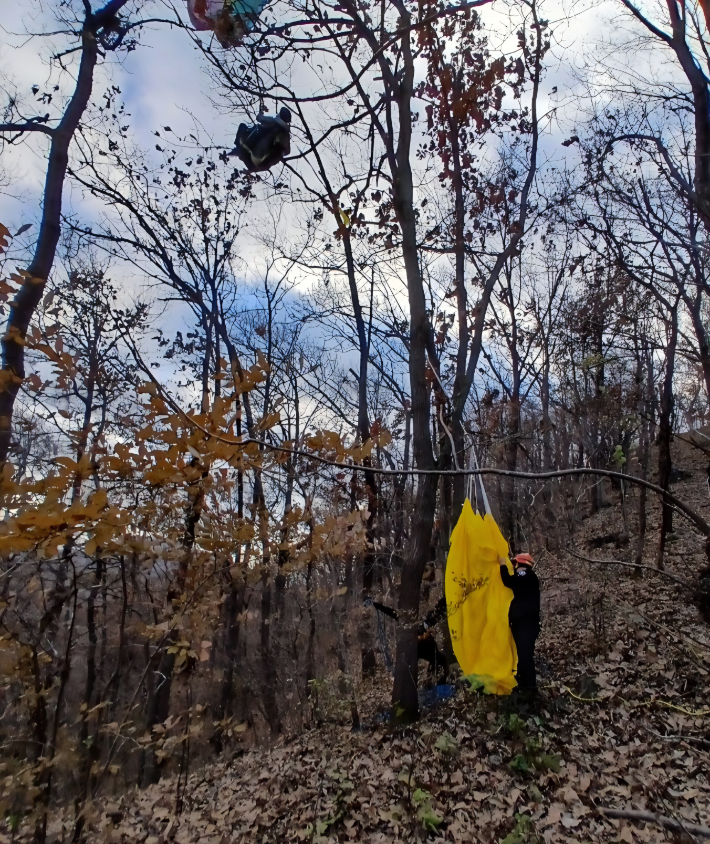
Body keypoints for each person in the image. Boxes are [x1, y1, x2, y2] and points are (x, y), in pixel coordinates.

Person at [499, 553, 541, 696]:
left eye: (515, 564)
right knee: (522, 654)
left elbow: (509, 582)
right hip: (522, 623)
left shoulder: (525, 573)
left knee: (525, 654)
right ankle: (523, 683)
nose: (515, 567)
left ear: (520, 564)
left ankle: (531, 688)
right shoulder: (527, 578)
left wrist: (502, 565)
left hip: (526, 624)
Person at [230, 107, 291, 172]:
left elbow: (259, 118)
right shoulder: (286, 134)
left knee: (242, 126)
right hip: (260, 162)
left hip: (256, 150)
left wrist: (261, 111)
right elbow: (287, 151)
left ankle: (237, 147)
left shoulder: (272, 121)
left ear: (280, 115)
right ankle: (241, 150)